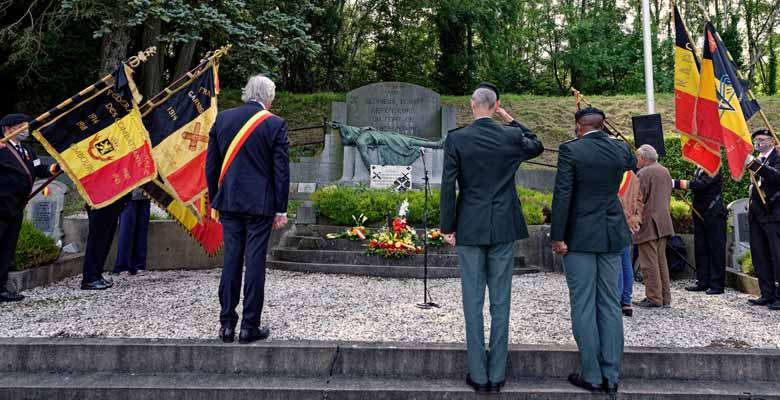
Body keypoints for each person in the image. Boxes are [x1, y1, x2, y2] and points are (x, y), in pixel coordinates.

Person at [440, 82, 543, 393]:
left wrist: (448, 227)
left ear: (473, 105)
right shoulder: (511, 136)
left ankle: (478, 374)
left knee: (472, 301)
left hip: (470, 225)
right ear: (496, 106)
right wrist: (510, 120)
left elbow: (448, 186)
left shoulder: (457, 139)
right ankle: (497, 375)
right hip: (502, 226)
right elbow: (536, 144)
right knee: (501, 301)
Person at [551, 107, 635, 395]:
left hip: (579, 236)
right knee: (610, 305)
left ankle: (592, 375)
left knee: (584, 305)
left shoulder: (571, 151)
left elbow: (563, 195)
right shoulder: (621, 150)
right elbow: (632, 160)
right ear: (603, 126)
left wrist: (558, 236)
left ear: (579, 126)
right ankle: (612, 374)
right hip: (611, 233)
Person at [205, 74, 290, 344]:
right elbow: (281, 171)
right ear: (269, 97)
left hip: (229, 202)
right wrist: (281, 208)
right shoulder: (274, 124)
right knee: (254, 262)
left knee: (231, 260)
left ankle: (227, 324)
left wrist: (217, 198)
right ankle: (249, 326)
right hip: (260, 205)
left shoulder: (223, 119)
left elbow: (211, 165)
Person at [0, 113, 58, 302]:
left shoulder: (26, 151)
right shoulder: (2, 148)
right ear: (9, 129)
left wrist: (54, 168)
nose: (26, 131)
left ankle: (1, 287)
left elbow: (38, 167)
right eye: (22, 127)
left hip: (16, 208)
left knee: (7, 249)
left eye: (26, 127)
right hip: (2, 206)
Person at [633, 144, 674, 308]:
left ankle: (654, 297)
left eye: (637, 157)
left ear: (642, 158)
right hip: (663, 221)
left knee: (649, 262)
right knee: (661, 261)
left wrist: (634, 219)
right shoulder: (664, 171)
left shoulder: (644, 173)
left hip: (649, 222)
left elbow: (638, 198)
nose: (637, 160)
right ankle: (665, 297)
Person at [673, 169, 726, 295]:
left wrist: (676, 183)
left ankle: (717, 284)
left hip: (713, 212)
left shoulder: (714, 168)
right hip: (699, 212)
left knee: (715, 249)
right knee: (701, 248)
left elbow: (701, 185)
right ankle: (703, 281)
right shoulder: (699, 169)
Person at [745, 129, 780, 310]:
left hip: (773, 213)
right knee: (760, 255)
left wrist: (754, 165)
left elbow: (775, 176)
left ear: (772, 141)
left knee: (777, 255)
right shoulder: (759, 159)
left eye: (762, 139)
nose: (758, 142)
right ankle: (766, 293)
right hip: (757, 214)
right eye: (756, 140)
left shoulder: (777, 157)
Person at [81, 195, 129, 290]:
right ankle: (90, 278)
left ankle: (97, 274)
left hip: (111, 201)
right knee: (98, 240)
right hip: (101, 201)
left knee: (105, 241)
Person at [618, 170, 643, 316]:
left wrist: (628, 218)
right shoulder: (633, 176)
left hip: (617, 222)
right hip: (629, 223)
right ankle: (626, 300)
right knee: (626, 263)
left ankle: (618, 299)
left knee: (617, 264)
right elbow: (640, 200)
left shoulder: (614, 172)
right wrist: (636, 218)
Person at [113, 188, 151, 276]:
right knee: (126, 233)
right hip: (128, 196)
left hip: (145, 195)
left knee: (142, 233)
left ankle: (139, 265)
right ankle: (122, 266)